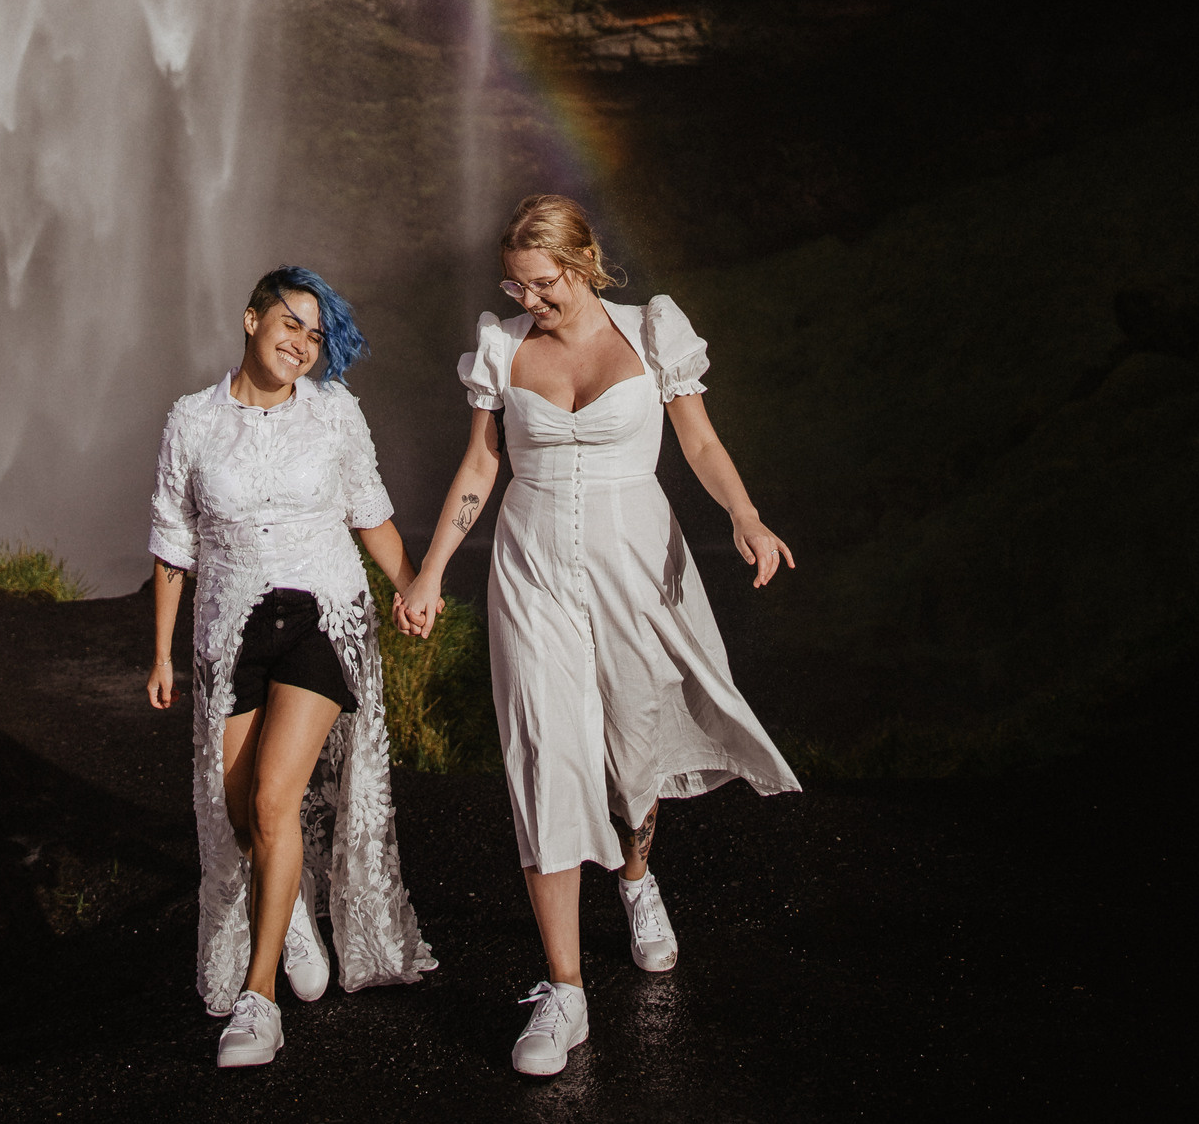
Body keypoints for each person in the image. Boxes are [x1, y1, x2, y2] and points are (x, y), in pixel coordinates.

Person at [395, 192, 799, 1078]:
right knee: (544, 751)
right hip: (530, 567)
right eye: (515, 284)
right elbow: (481, 463)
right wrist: (428, 571)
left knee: (632, 744)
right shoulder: (501, 347)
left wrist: (745, 517)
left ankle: (634, 879)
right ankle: (564, 989)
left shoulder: (651, 331)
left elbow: (697, 443)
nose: (526, 299)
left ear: (581, 264)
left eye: (541, 284)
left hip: (634, 566)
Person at [147, 265, 435, 1068]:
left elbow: (369, 512)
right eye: (292, 323)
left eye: (316, 334)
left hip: (321, 615)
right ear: (250, 319)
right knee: (241, 813)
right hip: (228, 628)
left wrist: (411, 584)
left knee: (276, 802)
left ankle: (258, 996)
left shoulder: (336, 414)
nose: (303, 343)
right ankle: (294, 912)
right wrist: (162, 652)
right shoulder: (192, 421)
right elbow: (174, 541)